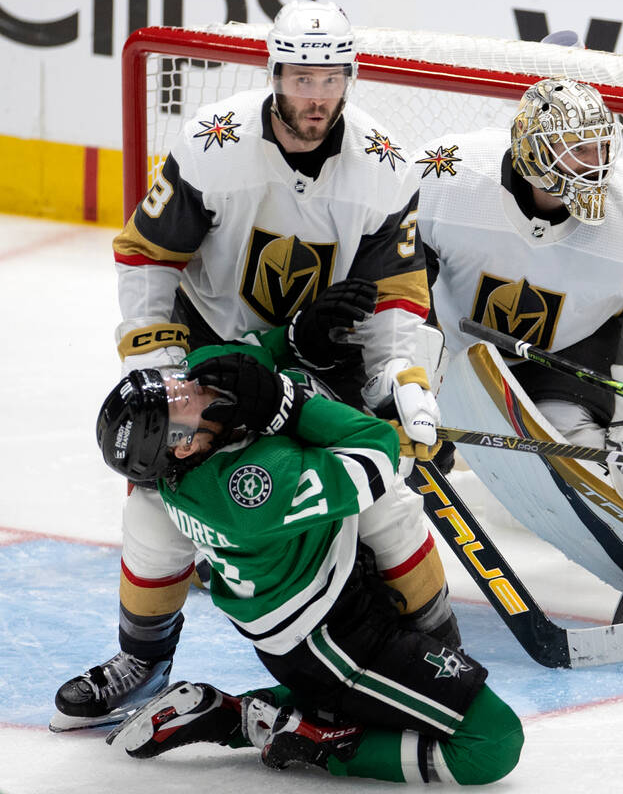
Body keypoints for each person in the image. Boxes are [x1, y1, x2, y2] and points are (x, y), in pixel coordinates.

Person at [52, 0, 450, 732]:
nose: (316, 95)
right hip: (211, 358)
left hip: (317, 364)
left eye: (330, 77)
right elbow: (148, 257)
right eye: (302, 76)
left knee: (390, 502)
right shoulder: (213, 142)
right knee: (153, 505)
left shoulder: (386, 166)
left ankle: (437, 653)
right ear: (275, 75)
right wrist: (167, 374)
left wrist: (405, 382)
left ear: (349, 77)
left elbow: (398, 299)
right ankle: (143, 662)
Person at [94, 333, 522, 785]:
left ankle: (240, 715)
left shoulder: (200, 425)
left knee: (417, 707)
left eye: (171, 381)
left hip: (325, 617)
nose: (186, 384)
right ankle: (313, 743)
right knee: (494, 741)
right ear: (184, 446)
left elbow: (246, 352)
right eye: (176, 400)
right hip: (335, 645)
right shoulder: (248, 491)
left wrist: (302, 333)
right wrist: (287, 405)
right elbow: (376, 453)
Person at [416, 76, 623, 641]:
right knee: (374, 437)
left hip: (576, 347)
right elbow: (398, 283)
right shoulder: (449, 178)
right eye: (577, 149)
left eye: (601, 147)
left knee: (573, 460)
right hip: (453, 340)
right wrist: (408, 380)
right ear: (532, 151)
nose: (596, 164)